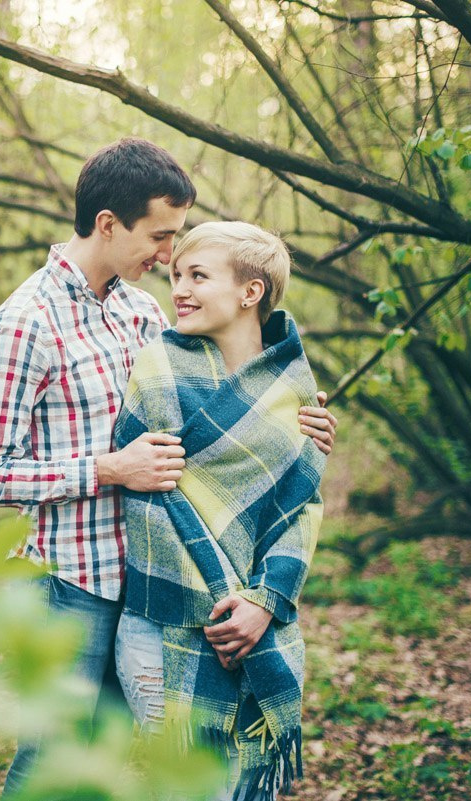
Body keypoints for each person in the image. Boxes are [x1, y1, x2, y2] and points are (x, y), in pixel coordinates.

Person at [0, 139, 337, 798]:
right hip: (68, 582)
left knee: (100, 768)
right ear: (108, 224)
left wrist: (291, 419)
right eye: (160, 236)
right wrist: (108, 468)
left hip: (143, 581)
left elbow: (208, 407)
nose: (169, 256)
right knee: (52, 758)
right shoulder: (27, 321)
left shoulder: (141, 311)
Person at [113, 221, 326, 801]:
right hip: (166, 625)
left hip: (254, 624)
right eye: (176, 275)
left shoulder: (293, 387)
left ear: (250, 292)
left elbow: (300, 506)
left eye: (197, 276)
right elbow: (153, 496)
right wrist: (225, 598)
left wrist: (264, 602)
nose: (177, 288)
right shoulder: (157, 367)